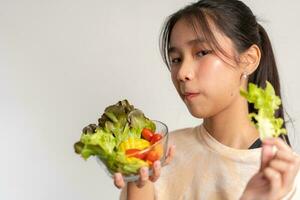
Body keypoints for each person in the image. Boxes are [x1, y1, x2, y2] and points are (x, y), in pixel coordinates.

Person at [114, 0, 300, 199]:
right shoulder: (162, 155)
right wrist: (137, 184)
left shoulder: (283, 176)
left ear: (249, 59)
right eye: (176, 59)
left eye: (202, 52)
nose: (182, 73)